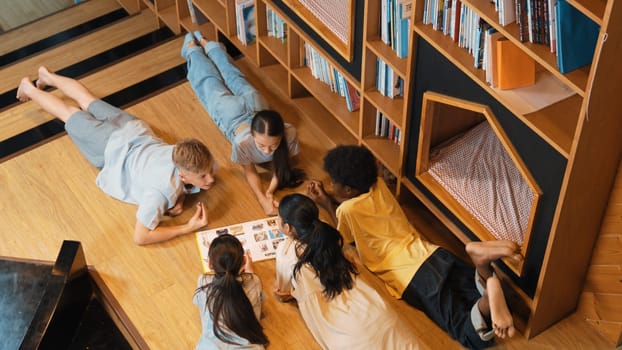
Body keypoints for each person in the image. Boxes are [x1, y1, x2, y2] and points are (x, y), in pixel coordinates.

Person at [306, 145, 521, 349]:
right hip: (432, 253)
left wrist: (326, 203)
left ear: (349, 189)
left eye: (334, 183)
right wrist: (331, 195)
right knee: (482, 295)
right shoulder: (378, 184)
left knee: (468, 335)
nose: (331, 185)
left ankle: (486, 295)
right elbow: (357, 200)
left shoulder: (346, 210)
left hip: (412, 277)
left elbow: (344, 237)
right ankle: (482, 265)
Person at [16, 67, 216, 245]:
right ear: (183, 176)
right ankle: (29, 88)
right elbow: (140, 237)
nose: (211, 178)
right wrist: (187, 227)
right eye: (203, 176)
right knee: (68, 112)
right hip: (110, 147)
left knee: (88, 99)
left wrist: (179, 200)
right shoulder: (160, 193)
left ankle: (47, 76)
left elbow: (178, 180)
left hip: (132, 128)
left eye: (208, 172)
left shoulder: (185, 152)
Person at [274, 193, 420, 349]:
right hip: (371, 309)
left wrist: (291, 292)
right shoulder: (325, 232)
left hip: (345, 330)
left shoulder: (286, 253)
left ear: (288, 228)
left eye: (278, 217)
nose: (276, 219)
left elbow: (282, 292)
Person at [181, 32, 305, 216]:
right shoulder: (244, 142)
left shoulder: (289, 133)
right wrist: (262, 198)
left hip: (254, 103)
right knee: (209, 82)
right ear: (253, 135)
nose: (266, 151)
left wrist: (269, 192)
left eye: (273, 146)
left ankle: (206, 42)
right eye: (261, 145)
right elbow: (250, 171)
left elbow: (282, 164)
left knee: (230, 74)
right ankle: (193, 47)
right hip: (230, 114)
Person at [194, 233, 269, 349]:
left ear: (209, 264)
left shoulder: (203, 281)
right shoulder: (254, 281)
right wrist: (251, 273)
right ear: (243, 261)